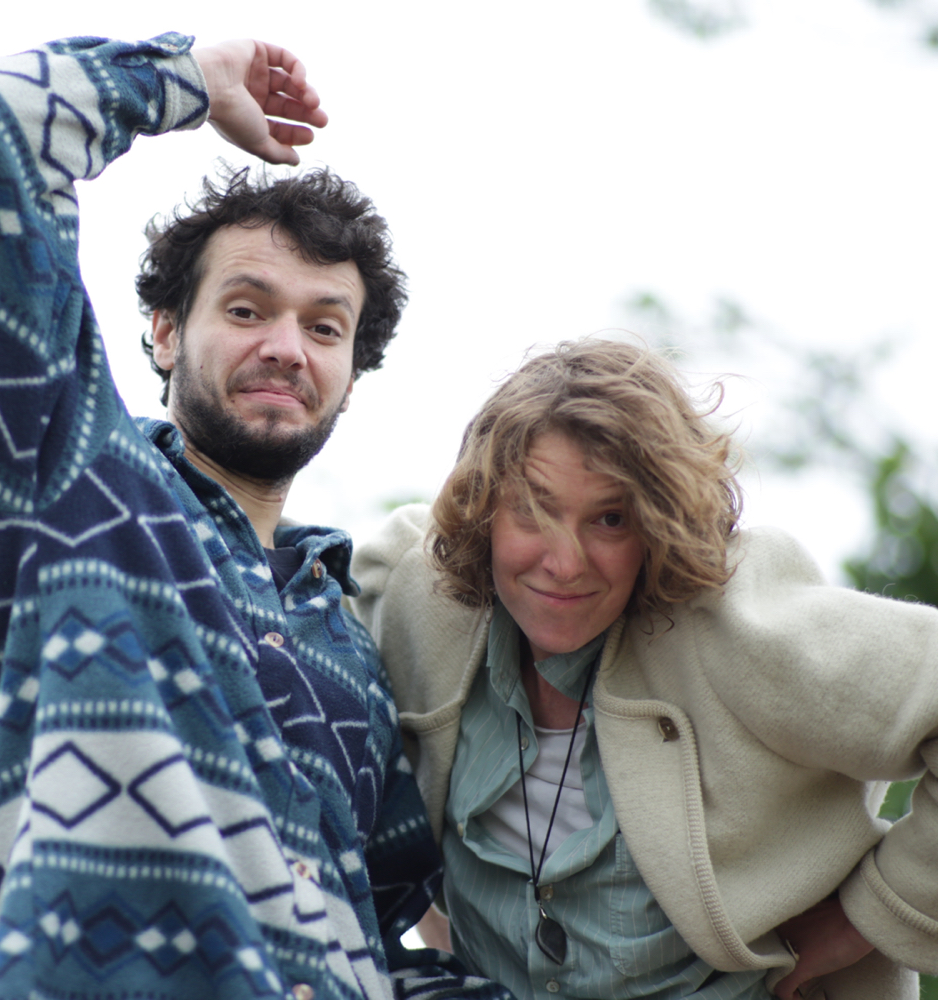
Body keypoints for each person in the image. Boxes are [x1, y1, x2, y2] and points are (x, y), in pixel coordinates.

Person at [0, 33, 513, 1000]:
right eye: (247, 310)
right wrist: (189, 80)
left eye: (324, 327)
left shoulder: (354, 639)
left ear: (351, 378)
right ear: (165, 333)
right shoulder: (73, 475)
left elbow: (374, 941)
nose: (287, 347)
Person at [352, 338, 938, 1000]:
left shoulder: (741, 627)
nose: (564, 562)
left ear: (659, 525)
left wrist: (873, 916)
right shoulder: (417, 595)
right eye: (533, 508)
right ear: (484, 509)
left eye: (609, 519)